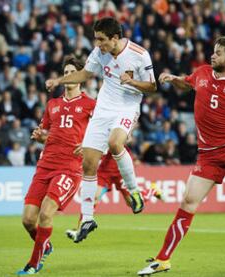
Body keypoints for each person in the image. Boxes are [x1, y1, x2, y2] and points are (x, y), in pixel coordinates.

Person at [137, 36, 225, 276]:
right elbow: (188, 83)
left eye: (219, 53)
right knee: (188, 203)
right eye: (213, 51)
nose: (213, 56)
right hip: (208, 156)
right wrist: (173, 79)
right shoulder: (202, 72)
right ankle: (163, 260)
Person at [45, 17, 157, 243]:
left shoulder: (139, 54)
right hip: (103, 108)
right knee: (88, 162)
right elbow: (85, 74)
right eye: (96, 39)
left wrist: (133, 82)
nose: (97, 44)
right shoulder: (98, 53)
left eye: (101, 40)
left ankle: (134, 190)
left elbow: (153, 87)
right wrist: (58, 81)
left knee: (116, 143)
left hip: (126, 108)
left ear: (115, 38)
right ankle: (87, 218)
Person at [17, 56, 96, 275]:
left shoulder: (90, 104)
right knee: (27, 219)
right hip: (45, 165)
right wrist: (39, 136)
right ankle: (46, 245)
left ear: (80, 76)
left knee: (45, 214)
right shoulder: (52, 104)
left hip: (69, 167)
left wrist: (89, 144)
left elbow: (103, 131)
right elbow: (47, 133)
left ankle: (34, 264)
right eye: (66, 71)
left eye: (73, 71)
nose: (68, 75)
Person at [65, 148, 163, 241]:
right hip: (104, 172)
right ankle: (79, 230)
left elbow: (122, 142)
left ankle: (152, 191)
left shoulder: (116, 134)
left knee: (132, 203)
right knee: (93, 196)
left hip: (120, 171)